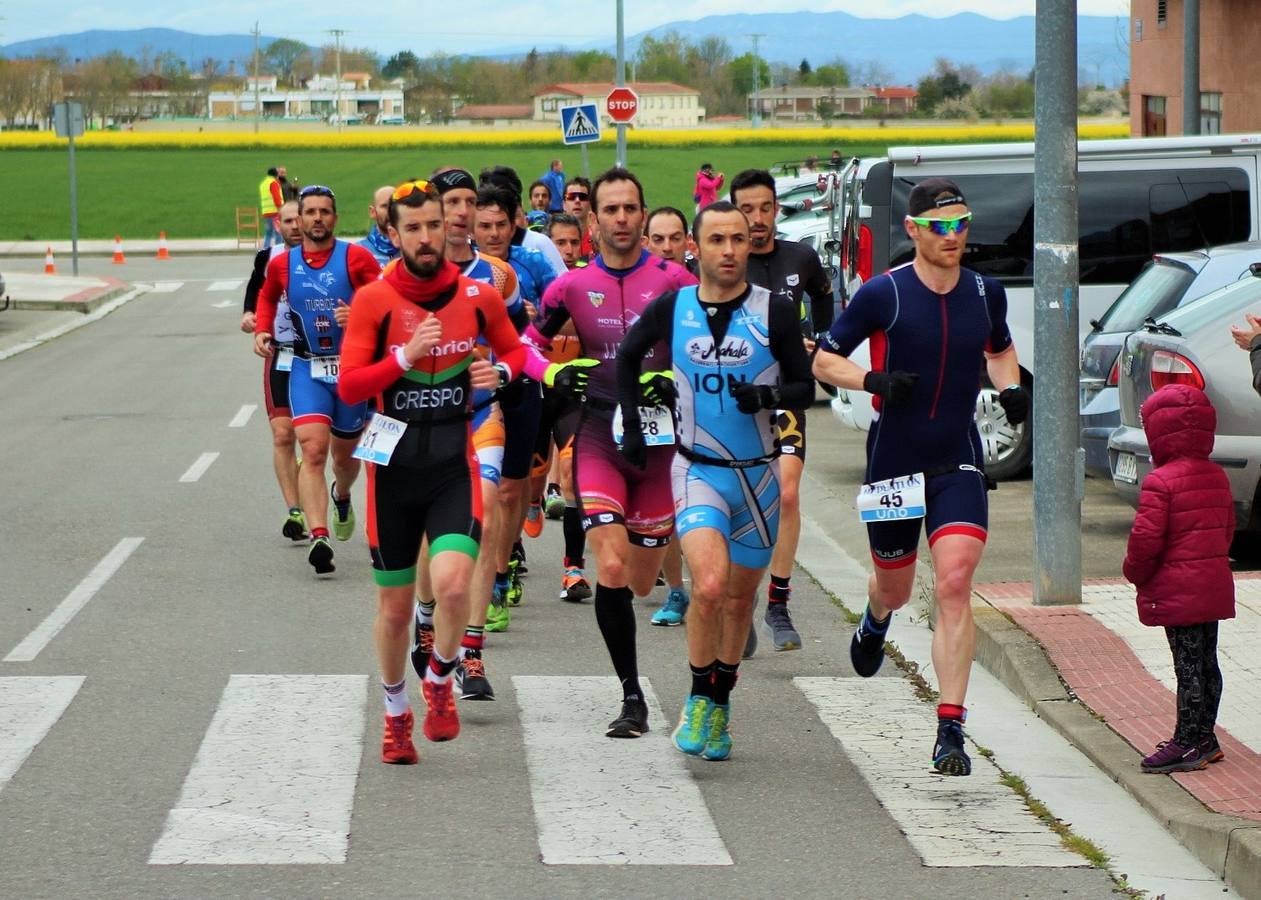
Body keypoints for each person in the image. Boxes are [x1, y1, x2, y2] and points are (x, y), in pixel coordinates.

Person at [812, 177, 1030, 776]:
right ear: (913, 231)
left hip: (957, 455)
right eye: (941, 226)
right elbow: (823, 357)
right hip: (894, 461)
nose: (955, 235)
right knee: (897, 588)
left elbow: (1000, 350)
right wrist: (872, 382)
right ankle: (876, 617)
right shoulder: (885, 293)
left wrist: (1010, 390)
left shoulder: (987, 292)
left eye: (962, 223)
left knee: (956, 581)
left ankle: (950, 728)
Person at [337, 179, 529, 764]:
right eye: (412, 228)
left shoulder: (478, 294)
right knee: (395, 609)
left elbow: (517, 351)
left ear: (449, 227)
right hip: (391, 474)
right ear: (392, 234)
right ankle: (396, 715)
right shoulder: (373, 300)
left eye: (434, 225)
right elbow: (348, 385)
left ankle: (440, 680)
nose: (426, 237)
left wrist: (499, 373)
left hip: (453, 464)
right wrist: (403, 357)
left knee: (450, 585)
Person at [617, 200, 814, 761]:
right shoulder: (673, 307)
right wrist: (633, 427)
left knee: (737, 600)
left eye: (738, 240)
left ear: (749, 246)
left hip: (758, 479)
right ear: (694, 249)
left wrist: (770, 397)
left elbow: (805, 388)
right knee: (707, 587)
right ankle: (699, 695)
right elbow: (627, 359)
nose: (729, 251)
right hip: (696, 469)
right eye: (717, 240)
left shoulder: (775, 310)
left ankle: (721, 703)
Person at [524, 167, 697, 737]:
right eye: (611, 210)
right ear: (592, 221)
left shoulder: (675, 281)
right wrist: (551, 372)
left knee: (643, 579)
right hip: (599, 433)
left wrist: (678, 376)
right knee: (613, 566)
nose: (622, 219)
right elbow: (526, 344)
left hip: (660, 442)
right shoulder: (571, 286)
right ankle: (631, 697)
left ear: (642, 215)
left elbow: (709, 346)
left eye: (631, 208)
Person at [253, 184, 382, 575]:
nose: (317, 219)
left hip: (350, 369)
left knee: (344, 457)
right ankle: (320, 534)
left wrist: (359, 313)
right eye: (310, 212)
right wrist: (262, 329)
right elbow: (266, 296)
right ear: (301, 217)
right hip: (306, 368)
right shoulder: (282, 264)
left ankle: (342, 494)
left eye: (325, 212)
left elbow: (385, 299)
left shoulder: (355, 258)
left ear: (335, 218)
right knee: (312, 450)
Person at [730, 168, 834, 654]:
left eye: (764, 208)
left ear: (777, 208)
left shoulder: (801, 256)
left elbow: (824, 293)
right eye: (746, 209)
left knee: (786, 496)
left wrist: (822, 346)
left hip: (785, 395)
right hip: (731, 403)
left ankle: (778, 602)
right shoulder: (721, 262)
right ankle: (740, 600)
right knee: (740, 505)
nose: (757, 219)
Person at [1123, 384, 1235, 774]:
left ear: (1158, 431)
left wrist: (1134, 573)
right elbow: (1226, 530)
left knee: (1186, 667)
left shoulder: (1161, 481)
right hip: (1211, 586)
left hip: (1178, 591)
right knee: (1207, 662)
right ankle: (1205, 735)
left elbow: (1146, 541)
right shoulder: (1217, 475)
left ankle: (1188, 742)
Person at [641, 205, 699, 627]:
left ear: (687, 243)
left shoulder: (702, 287)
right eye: (657, 239)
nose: (666, 247)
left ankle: (725, 590)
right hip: (655, 408)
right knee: (670, 503)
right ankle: (678, 590)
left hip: (702, 410)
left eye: (674, 238)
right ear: (646, 243)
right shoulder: (640, 286)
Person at [241, 200, 306, 541]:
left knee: (318, 444)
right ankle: (295, 511)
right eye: (288, 221)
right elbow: (255, 293)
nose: (295, 225)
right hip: (280, 353)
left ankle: (332, 489)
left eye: (300, 218)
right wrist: (250, 317)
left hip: (321, 356)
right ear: (278, 226)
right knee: (283, 434)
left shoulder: (327, 258)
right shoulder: (268, 258)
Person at [357, 184, 400, 265]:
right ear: (372, 212)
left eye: (395, 205)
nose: (391, 211)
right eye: (385, 206)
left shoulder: (412, 250)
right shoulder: (358, 251)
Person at [563, 176, 596, 259]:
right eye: (571, 197)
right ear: (564, 204)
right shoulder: (553, 241)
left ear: (590, 204)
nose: (577, 200)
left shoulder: (599, 240)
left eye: (583, 197)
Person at [259, 166, 286, 248]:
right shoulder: (273, 183)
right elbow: (277, 198)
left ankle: (265, 251)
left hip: (266, 212)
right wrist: (281, 209)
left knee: (268, 233)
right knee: (278, 233)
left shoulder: (263, 184)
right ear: (276, 175)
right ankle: (278, 252)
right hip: (275, 212)